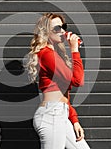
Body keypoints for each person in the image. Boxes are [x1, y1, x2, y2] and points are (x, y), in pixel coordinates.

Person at [26, 12, 91, 149]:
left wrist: (74, 120)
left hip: (61, 113)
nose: (62, 31)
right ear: (46, 33)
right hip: (52, 114)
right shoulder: (46, 54)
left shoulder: (55, 54)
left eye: (63, 27)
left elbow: (63, 93)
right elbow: (77, 80)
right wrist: (74, 50)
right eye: (56, 28)